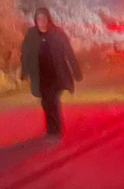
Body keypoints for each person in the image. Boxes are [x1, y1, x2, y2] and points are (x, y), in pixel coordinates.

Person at [20, 7, 81, 138]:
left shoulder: (57, 33)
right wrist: (24, 70)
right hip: (41, 75)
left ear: (48, 19)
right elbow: (26, 53)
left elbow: (68, 52)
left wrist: (76, 71)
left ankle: (56, 128)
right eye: (38, 19)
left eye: (43, 18)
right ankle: (50, 128)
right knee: (45, 102)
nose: (41, 21)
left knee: (53, 100)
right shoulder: (32, 35)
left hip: (56, 73)